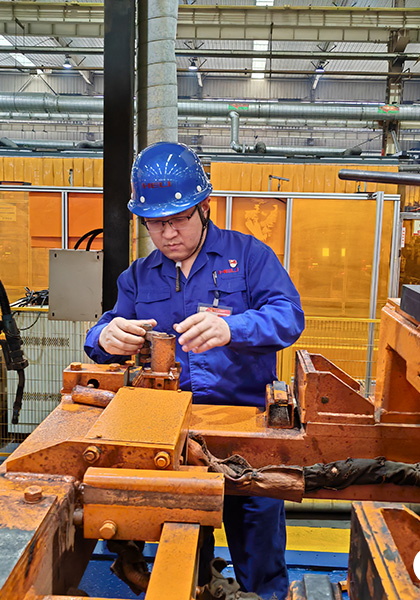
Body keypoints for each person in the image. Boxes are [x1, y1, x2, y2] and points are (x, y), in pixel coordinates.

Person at [84, 142, 305, 600]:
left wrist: (233, 328)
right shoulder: (139, 276)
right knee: (180, 550)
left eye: (179, 219)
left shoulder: (249, 257)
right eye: (155, 223)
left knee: (259, 547)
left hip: (246, 431)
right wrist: (104, 337)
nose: (167, 234)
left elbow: (289, 317)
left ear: (204, 208)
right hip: (172, 436)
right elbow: (105, 330)